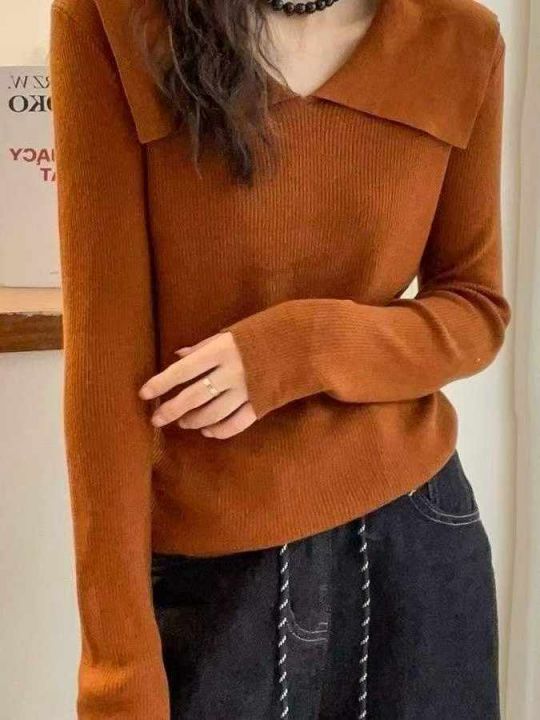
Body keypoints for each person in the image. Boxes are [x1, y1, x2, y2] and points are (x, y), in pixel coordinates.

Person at [49, 0, 511, 718]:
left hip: (416, 550)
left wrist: (304, 345)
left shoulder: (459, 38)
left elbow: (475, 309)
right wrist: (117, 672)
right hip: (214, 579)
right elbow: (104, 373)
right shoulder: (114, 21)